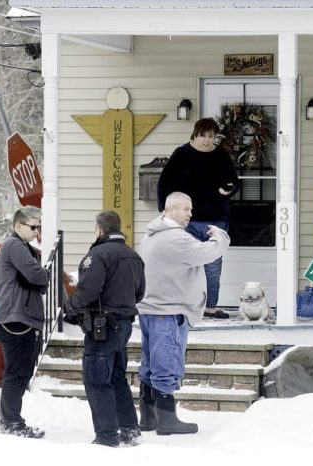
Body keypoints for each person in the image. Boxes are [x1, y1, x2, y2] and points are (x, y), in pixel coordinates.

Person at [136, 192, 230, 435]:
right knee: (166, 361)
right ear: (171, 210)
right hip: (168, 309)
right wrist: (220, 235)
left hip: (150, 307)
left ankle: (148, 417)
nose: (190, 214)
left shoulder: (151, 234)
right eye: (186, 209)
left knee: (150, 363)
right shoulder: (174, 237)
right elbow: (208, 253)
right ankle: (167, 420)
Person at [65, 210, 146, 447]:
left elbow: (87, 292)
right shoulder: (134, 256)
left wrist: (69, 308)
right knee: (117, 377)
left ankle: (107, 435)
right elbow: (140, 293)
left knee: (97, 379)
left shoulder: (98, 255)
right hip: (124, 324)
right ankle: (129, 429)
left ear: (99, 229)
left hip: (102, 326)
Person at [156, 117, 239, 319]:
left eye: (211, 136)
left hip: (215, 219)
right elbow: (164, 182)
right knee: (185, 264)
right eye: (203, 135)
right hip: (186, 220)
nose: (207, 140)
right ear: (195, 134)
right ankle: (182, 305)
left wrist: (228, 190)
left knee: (213, 266)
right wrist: (164, 210)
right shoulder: (182, 154)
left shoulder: (220, 155)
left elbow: (233, 181)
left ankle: (210, 307)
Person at [0, 205, 49, 439]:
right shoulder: (14, 245)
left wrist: (40, 276)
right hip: (14, 318)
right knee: (16, 373)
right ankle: (11, 422)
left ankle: (10, 419)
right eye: (33, 226)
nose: (37, 231)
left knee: (21, 373)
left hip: (21, 317)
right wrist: (41, 274)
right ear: (18, 225)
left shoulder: (23, 247)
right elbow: (38, 276)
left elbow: (40, 281)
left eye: (39, 227)